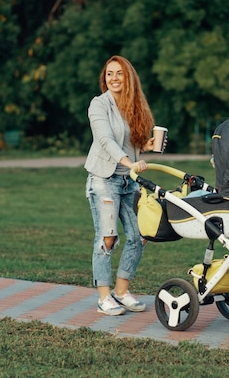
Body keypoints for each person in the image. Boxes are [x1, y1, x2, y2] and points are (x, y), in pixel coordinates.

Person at [84, 55, 159, 315]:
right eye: (109, 74)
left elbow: (128, 140)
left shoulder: (132, 105)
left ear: (129, 78)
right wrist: (129, 162)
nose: (114, 78)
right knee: (107, 237)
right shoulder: (98, 105)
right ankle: (104, 297)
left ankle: (121, 290)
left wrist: (144, 147)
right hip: (104, 178)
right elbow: (105, 139)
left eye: (119, 74)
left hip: (128, 181)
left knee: (140, 235)